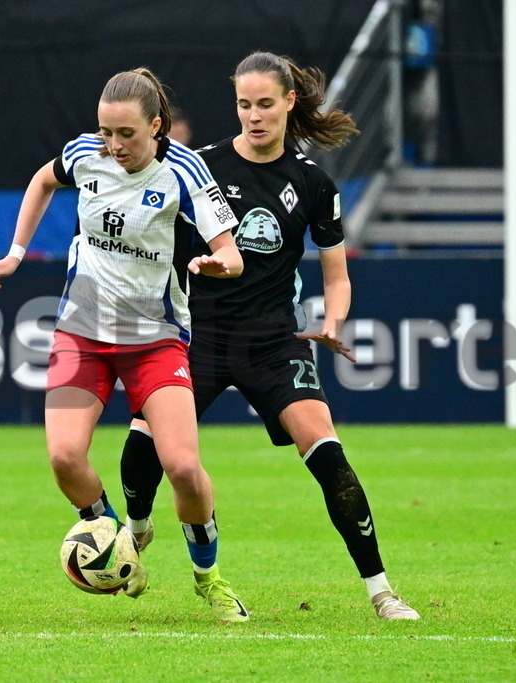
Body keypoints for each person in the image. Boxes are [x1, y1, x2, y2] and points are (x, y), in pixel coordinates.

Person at [118, 52, 421, 620]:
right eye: (242, 104)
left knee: (328, 452)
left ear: (288, 103)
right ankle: (134, 533)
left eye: (263, 103)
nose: (253, 115)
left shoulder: (312, 183)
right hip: (194, 337)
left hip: (273, 342)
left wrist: (332, 322)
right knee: (140, 446)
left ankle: (381, 591)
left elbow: (337, 275)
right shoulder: (195, 168)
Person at [0, 67, 250, 623]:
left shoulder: (186, 169)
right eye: (106, 132)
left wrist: (217, 262)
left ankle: (209, 578)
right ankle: (115, 538)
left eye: (126, 134)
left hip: (155, 342)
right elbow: (42, 182)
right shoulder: (84, 154)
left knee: (181, 467)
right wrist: (15, 252)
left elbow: (233, 252)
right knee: (63, 457)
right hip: (82, 334)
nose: (114, 145)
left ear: (157, 127)